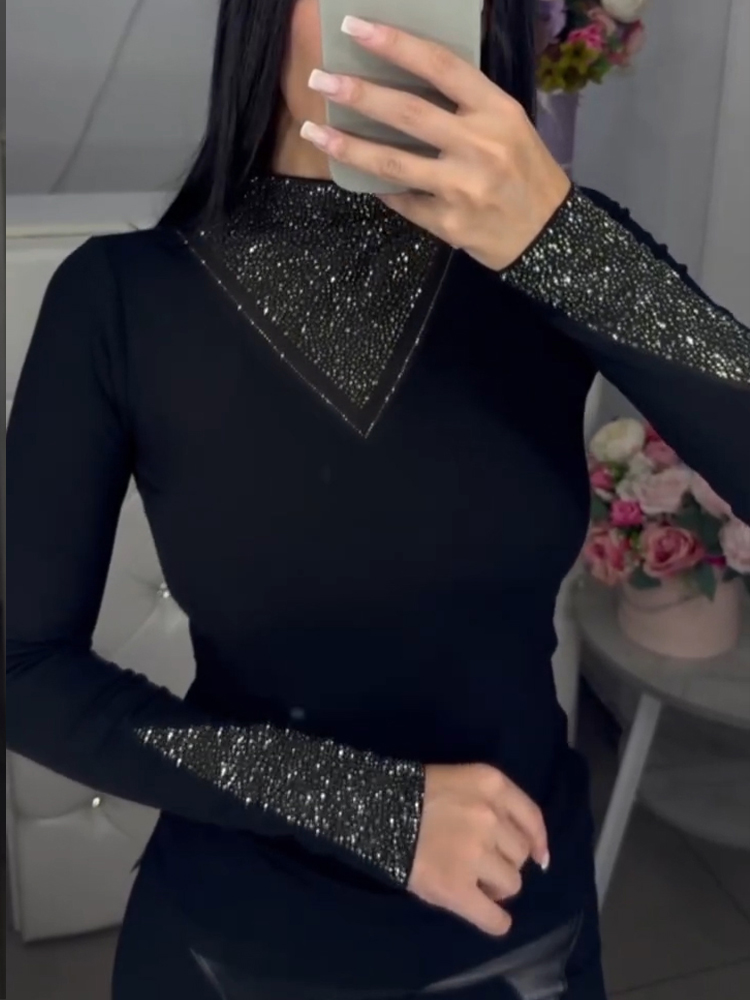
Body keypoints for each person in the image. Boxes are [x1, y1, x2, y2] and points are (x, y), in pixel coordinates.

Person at [6, 1, 749, 998]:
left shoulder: (558, 250)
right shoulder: (118, 297)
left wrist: (561, 241)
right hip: (235, 940)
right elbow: (22, 670)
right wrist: (370, 808)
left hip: (519, 930)